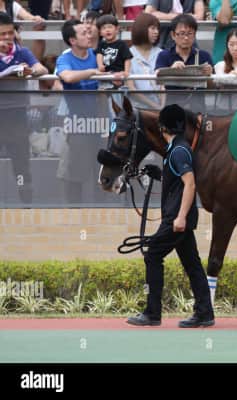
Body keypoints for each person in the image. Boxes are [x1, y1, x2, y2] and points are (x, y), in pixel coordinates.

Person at [127, 104, 215, 328]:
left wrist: (181, 217)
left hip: (176, 218)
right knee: (192, 264)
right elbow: (178, 181)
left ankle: (152, 313)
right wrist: (159, 174)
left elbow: (190, 183)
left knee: (153, 255)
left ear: (162, 127)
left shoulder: (178, 151)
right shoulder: (177, 149)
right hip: (178, 217)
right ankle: (204, 313)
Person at [55, 19, 107, 204]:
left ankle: (102, 213)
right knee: (75, 174)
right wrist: (92, 72)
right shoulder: (65, 59)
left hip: (101, 123)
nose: (89, 36)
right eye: (84, 33)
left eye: (89, 31)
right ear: (72, 40)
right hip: (78, 124)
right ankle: (74, 215)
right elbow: (67, 77)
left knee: (102, 173)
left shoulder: (97, 55)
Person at [0, 12, 47, 204]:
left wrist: (31, 71)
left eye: (10, 33)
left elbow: (42, 69)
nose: (7, 38)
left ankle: (26, 206)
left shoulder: (21, 51)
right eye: (2, 34)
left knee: (21, 163)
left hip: (17, 114)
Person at [155, 13, 213, 111]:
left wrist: (209, 76)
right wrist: (171, 70)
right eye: (182, 33)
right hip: (171, 109)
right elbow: (157, 81)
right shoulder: (164, 55)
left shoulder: (204, 56)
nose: (186, 38)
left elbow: (212, 88)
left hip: (197, 111)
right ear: (173, 35)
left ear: (194, 35)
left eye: (190, 33)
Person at [127, 12, 163, 109]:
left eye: (157, 29)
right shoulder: (127, 54)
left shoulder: (161, 53)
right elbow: (131, 88)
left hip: (161, 109)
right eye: (153, 28)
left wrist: (162, 107)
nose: (156, 32)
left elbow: (164, 85)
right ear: (141, 29)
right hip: (137, 109)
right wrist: (156, 107)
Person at [95, 14, 132, 88]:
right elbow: (99, 54)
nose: (107, 30)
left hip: (119, 74)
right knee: (103, 90)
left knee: (119, 91)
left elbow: (127, 58)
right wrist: (100, 65)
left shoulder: (122, 44)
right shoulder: (101, 44)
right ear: (100, 32)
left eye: (110, 27)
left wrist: (126, 71)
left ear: (117, 29)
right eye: (104, 28)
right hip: (106, 75)